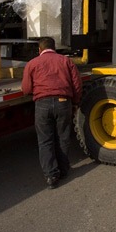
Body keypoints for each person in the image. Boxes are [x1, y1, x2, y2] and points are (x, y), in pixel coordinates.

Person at [21, 37, 83, 189]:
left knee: (45, 141)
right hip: (63, 102)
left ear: (40, 50)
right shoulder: (66, 61)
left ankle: (51, 176)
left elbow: (26, 89)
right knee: (62, 137)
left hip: (42, 104)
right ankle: (63, 170)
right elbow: (77, 85)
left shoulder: (32, 64)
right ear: (54, 48)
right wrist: (74, 102)